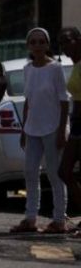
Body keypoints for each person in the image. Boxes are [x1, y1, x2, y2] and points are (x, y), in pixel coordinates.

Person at [10, 28, 68, 234]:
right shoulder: (28, 69)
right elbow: (28, 100)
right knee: (30, 172)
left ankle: (59, 219)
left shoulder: (55, 69)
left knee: (54, 174)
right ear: (29, 46)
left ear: (47, 45)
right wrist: (24, 129)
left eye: (41, 42)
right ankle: (30, 218)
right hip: (32, 128)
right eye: (33, 42)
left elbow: (64, 101)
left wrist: (62, 130)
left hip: (52, 127)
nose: (37, 46)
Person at [58, 26, 81, 237]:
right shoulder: (75, 65)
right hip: (76, 122)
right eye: (62, 43)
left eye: (68, 40)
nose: (65, 46)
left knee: (64, 170)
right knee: (64, 171)